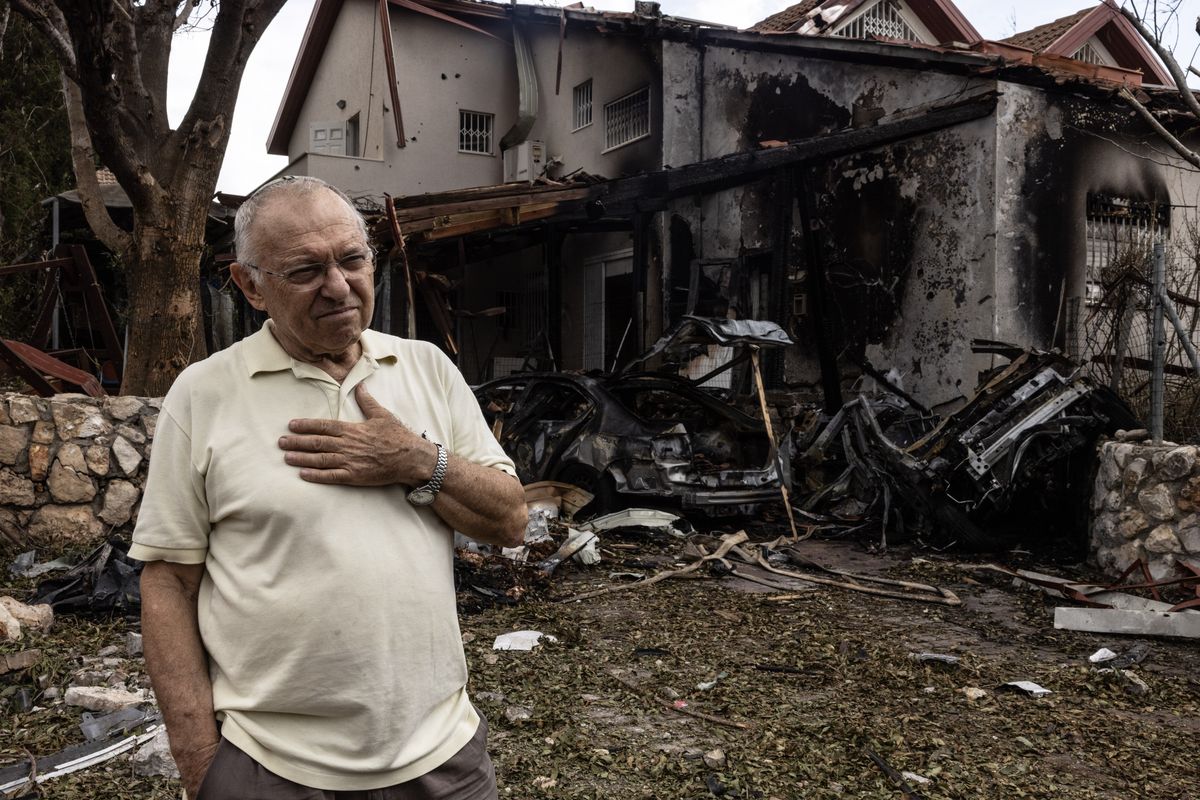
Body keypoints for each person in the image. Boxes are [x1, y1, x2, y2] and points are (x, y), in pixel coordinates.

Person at [130, 175, 527, 799]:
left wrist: (417, 461)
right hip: (270, 765)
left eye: (352, 259)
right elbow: (169, 580)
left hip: (441, 756)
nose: (339, 286)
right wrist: (202, 764)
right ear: (250, 285)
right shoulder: (203, 393)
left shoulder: (426, 367)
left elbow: (510, 521)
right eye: (306, 270)